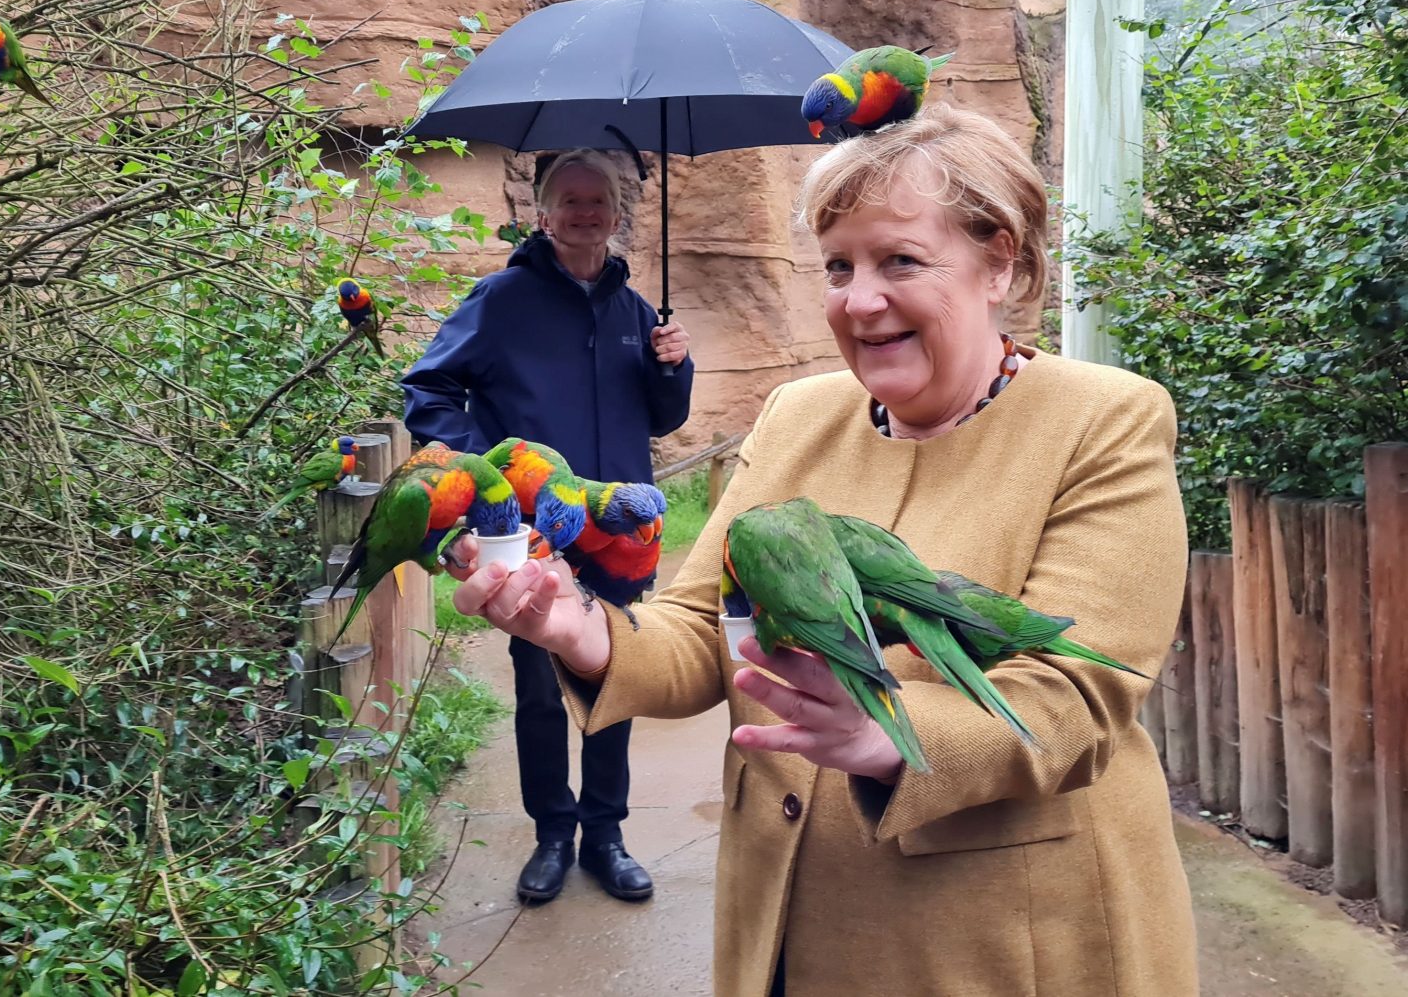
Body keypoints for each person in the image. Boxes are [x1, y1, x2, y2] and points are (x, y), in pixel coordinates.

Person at [439, 105, 1199, 995]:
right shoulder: (800, 415)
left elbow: (1079, 697)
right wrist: (581, 629)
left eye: (900, 261)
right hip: (790, 925)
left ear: (1003, 262)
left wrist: (887, 731)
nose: (859, 299)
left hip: (1002, 941)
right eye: (838, 265)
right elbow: (705, 626)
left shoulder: (1104, 420)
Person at [401, 149, 694, 905]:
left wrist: (671, 366)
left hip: (622, 532)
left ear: (618, 213)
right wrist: (485, 471)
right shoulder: (501, 299)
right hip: (536, 532)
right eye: (570, 199)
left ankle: (606, 834)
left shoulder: (637, 311)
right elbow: (427, 388)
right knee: (539, 687)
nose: (585, 212)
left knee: (616, 678)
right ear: (542, 211)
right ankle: (552, 834)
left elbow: (665, 418)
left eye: (599, 200)